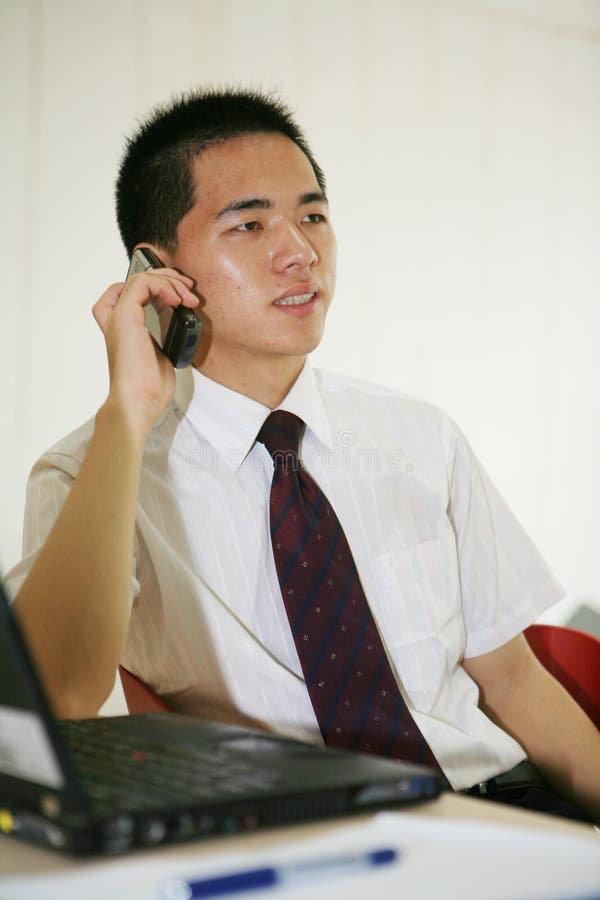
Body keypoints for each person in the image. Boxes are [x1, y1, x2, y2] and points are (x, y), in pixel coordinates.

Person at [7, 87, 599, 823]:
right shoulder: (94, 470)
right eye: (250, 224)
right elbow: (57, 694)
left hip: (503, 805)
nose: (300, 252)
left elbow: (513, 684)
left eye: (313, 215)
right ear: (155, 272)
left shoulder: (420, 436)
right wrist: (127, 413)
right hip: (309, 838)